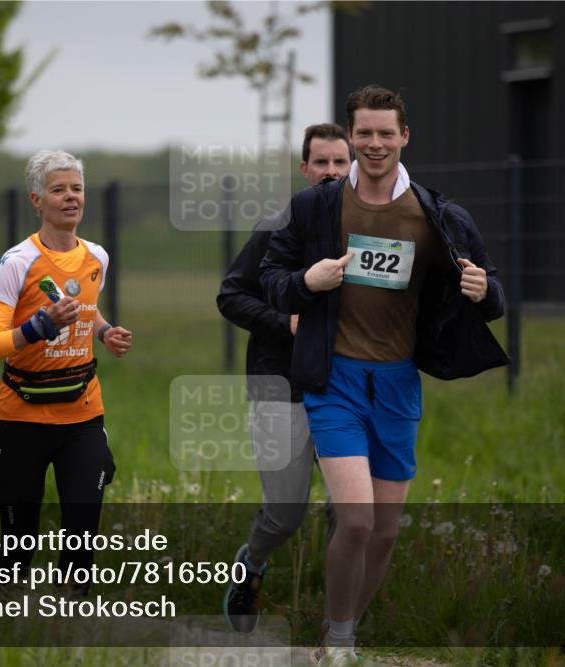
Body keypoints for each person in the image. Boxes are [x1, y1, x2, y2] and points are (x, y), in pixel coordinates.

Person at [259, 87, 508, 666]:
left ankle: (339, 629)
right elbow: (270, 276)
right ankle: (341, 646)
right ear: (350, 138)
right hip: (334, 382)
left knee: (386, 534)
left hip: (397, 384)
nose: (373, 144)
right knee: (357, 519)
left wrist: (483, 292)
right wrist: (305, 283)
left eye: (384, 133)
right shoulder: (314, 208)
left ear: (404, 137)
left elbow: (491, 291)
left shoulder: (438, 214)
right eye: (362, 134)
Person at [0, 149, 132, 595]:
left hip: (82, 414)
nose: (70, 198)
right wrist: (37, 328)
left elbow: (85, 308)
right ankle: (6, 624)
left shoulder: (96, 256)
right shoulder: (18, 262)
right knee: (18, 546)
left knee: (82, 534)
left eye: (77, 189)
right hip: (21, 416)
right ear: (36, 200)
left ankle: (69, 630)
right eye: (58, 190)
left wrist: (103, 333)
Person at [218, 123, 352, 632]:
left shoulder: (365, 231)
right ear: (304, 168)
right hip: (280, 386)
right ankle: (250, 566)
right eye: (322, 163)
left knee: (350, 508)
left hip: (343, 387)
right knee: (285, 513)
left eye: (341, 163)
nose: (331, 173)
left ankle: (338, 622)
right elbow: (231, 295)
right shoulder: (278, 225)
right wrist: (286, 322)